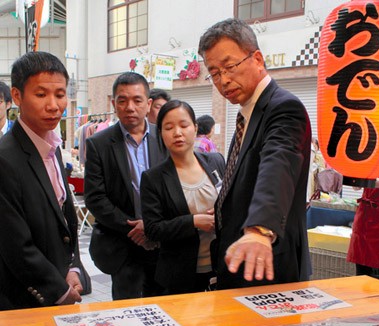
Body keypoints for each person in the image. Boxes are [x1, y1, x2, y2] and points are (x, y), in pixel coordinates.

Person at [198, 18, 312, 290]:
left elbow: (278, 164)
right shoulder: (246, 113)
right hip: (239, 263)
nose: (223, 80)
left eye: (230, 66)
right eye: (214, 73)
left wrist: (260, 229)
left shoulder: (284, 108)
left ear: (257, 58)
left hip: (269, 266)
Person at [0, 51, 83, 310]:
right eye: (41, 94)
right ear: (16, 96)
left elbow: (65, 219)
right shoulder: (5, 158)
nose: (53, 105)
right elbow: (15, 245)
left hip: (61, 283)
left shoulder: (52, 146)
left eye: (60, 95)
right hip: (23, 299)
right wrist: (59, 290)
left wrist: (74, 268)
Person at [84, 72, 166, 300]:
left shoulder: (164, 137)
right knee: (126, 310)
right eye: (122, 100)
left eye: (137, 100)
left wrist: (153, 228)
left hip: (162, 243)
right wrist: (134, 228)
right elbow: (95, 197)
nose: (130, 107)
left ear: (148, 104)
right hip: (123, 243)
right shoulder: (98, 144)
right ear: (113, 103)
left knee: (165, 309)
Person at [141, 100, 225, 294]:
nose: (177, 133)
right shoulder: (153, 178)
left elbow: (233, 202)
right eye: (168, 128)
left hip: (221, 267)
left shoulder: (216, 162)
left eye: (184, 125)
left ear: (195, 128)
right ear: (161, 134)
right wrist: (193, 222)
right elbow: (153, 229)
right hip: (180, 275)